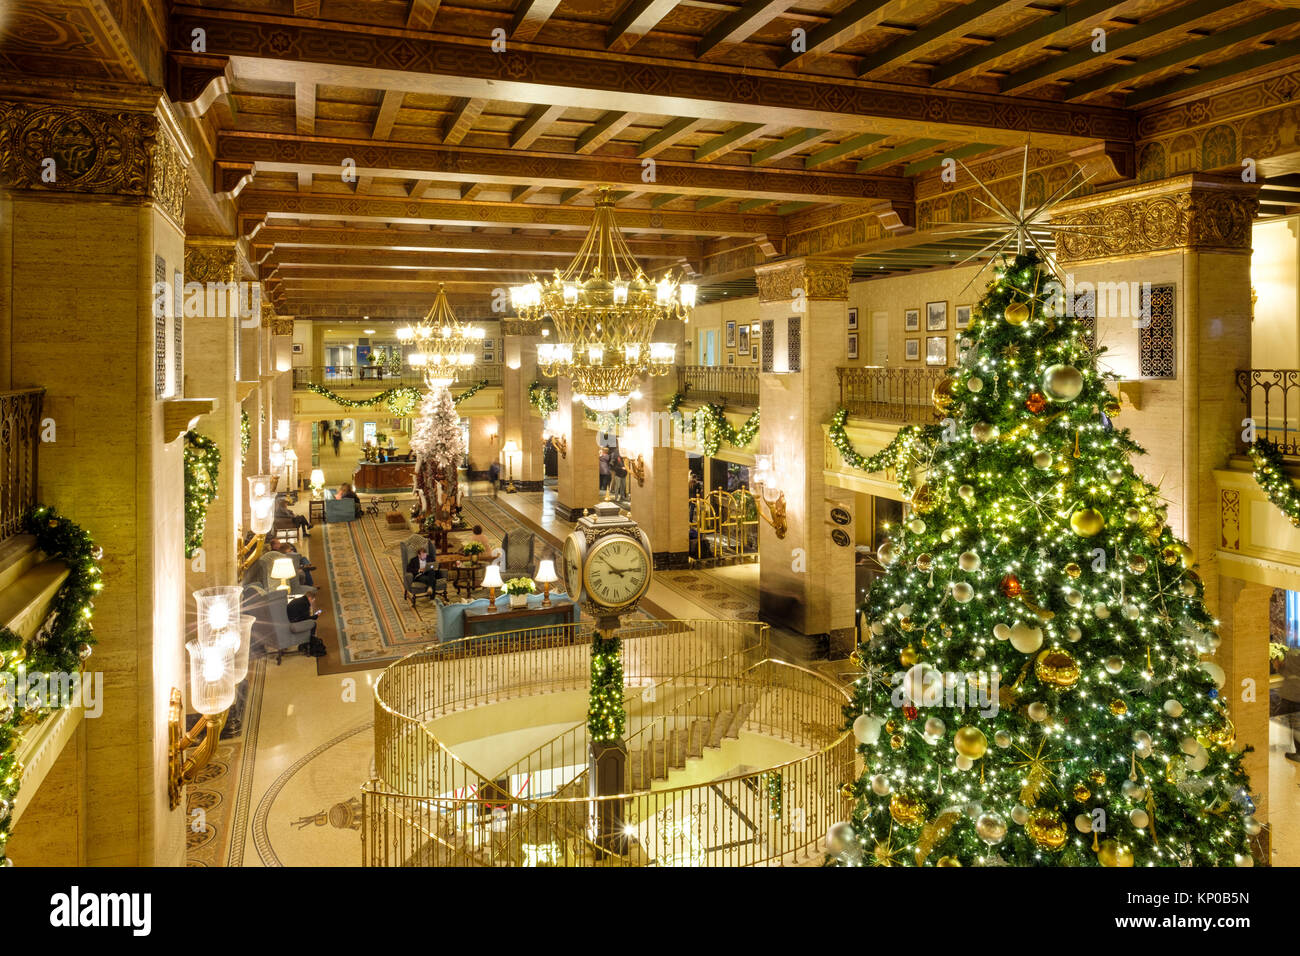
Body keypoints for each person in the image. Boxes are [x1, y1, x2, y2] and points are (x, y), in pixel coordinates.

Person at [287, 592, 325, 657]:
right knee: (313, 624)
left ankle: (308, 640)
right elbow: (306, 619)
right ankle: (308, 642)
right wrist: (315, 616)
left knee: (310, 622)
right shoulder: (305, 604)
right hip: (293, 624)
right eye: (313, 600)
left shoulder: (298, 600)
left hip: (288, 620)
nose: (312, 602)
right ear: (309, 598)